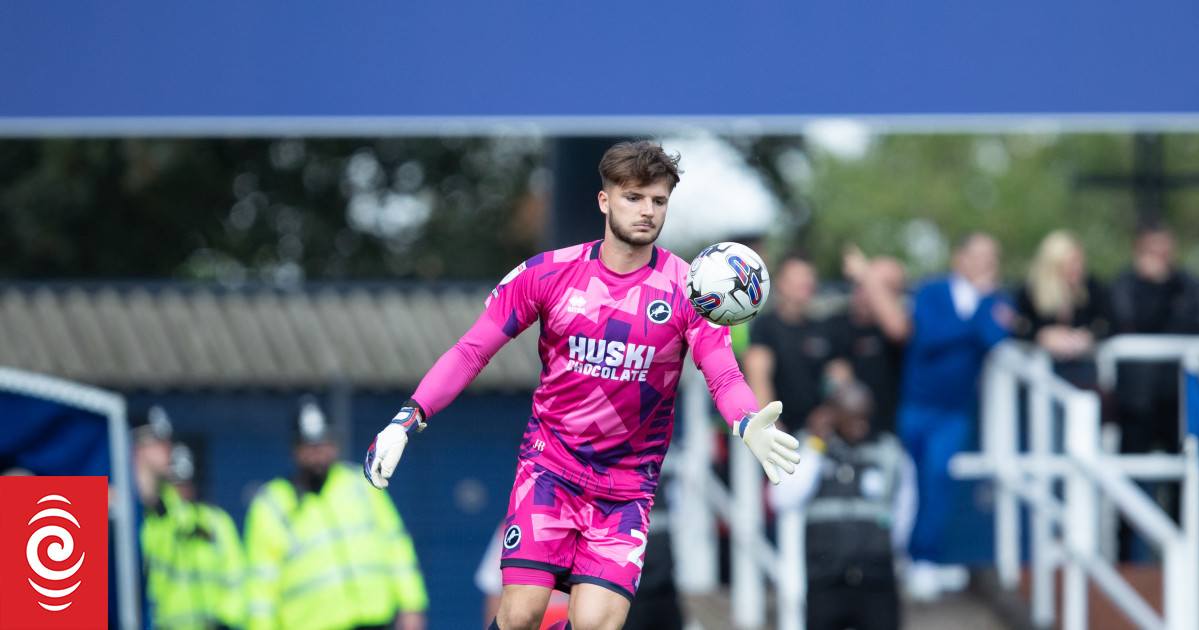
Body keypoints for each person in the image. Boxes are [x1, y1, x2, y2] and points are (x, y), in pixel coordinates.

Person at [363, 140, 801, 630]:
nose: (647, 211)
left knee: (595, 624)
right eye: (634, 197)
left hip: (626, 490)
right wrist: (408, 419)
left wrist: (746, 420)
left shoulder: (689, 291)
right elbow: (472, 351)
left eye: (658, 201)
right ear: (604, 200)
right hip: (549, 472)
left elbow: (724, 374)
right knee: (520, 616)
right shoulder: (547, 274)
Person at [896, 231, 1014, 601]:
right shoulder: (931, 291)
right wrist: (978, 316)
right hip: (916, 405)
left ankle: (925, 559)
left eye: (991, 257)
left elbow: (996, 339)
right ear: (958, 258)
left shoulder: (996, 299)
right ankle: (904, 557)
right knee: (907, 485)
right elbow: (928, 336)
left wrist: (980, 311)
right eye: (979, 256)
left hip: (954, 411)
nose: (986, 265)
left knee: (937, 477)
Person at [245, 396, 428, 630]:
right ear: (294, 450)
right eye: (309, 445)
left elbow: (397, 547)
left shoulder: (361, 483)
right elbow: (261, 586)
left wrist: (412, 605)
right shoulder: (270, 504)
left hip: (376, 622)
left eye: (323, 443)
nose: (318, 453)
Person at [769, 382, 917, 630]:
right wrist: (817, 445)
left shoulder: (890, 451)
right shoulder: (807, 448)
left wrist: (886, 550)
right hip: (825, 579)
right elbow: (782, 499)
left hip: (876, 579)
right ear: (833, 414)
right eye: (852, 419)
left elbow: (905, 509)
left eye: (864, 418)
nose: (860, 426)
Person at [1107, 220, 1199, 560]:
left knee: (1183, 484)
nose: (1163, 254)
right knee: (1131, 480)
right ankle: (1128, 559)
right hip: (1136, 400)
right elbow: (1130, 323)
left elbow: (1189, 324)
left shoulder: (1186, 284)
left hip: (1177, 399)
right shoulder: (1125, 285)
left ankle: (1182, 557)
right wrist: (1155, 288)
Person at [135, 409, 245, 630]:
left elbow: (236, 581)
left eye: (168, 442)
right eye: (157, 441)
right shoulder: (124, 512)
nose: (168, 449)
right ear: (137, 447)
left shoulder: (182, 515)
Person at [743, 251, 838, 430]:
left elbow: (839, 378)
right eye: (798, 278)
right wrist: (770, 426)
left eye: (809, 277)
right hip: (780, 429)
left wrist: (830, 411)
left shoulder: (823, 328)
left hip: (817, 434)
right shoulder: (765, 327)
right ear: (781, 283)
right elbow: (758, 377)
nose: (805, 283)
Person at [827, 245, 912, 435]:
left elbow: (897, 329)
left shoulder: (896, 328)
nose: (866, 291)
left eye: (879, 286)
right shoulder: (835, 324)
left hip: (885, 435)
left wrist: (866, 272)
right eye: (862, 283)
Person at [1013, 229, 1110, 388]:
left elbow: (1109, 321)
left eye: (1079, 261)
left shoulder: (1091, 287)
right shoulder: (1029, 293)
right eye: (1072, 262)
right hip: (1041, 378)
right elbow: (1017, 325)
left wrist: (1088, 335)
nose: (1078, 267)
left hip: (1083, 374)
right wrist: (1041, 335)